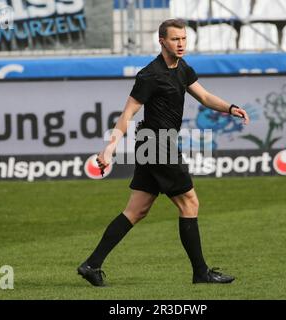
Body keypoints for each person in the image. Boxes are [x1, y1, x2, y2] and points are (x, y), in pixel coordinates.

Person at [77, 19, 250, 287]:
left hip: (153, 143)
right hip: (158, 144)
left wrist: (230, 108)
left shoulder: (182, 68)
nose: (180, 44)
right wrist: (109, 148)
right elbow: (128, 113)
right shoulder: (150, 75)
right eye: (175, 39)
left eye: (183, 39)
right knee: (189, 203)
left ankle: (91, 264)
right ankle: (201, 273)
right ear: (162, 41)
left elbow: (203, 97)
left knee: (137, 210)